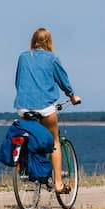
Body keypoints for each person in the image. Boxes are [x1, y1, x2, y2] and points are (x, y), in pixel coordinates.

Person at [14, 27, 82, 194]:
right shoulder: (52, 59)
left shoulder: (23, 57)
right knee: (54, 142)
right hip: (44, 107)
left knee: (27, 137)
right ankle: (58, 184)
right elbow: (63, 81)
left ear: (33, 41)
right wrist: (72, 96)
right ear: (49, 42)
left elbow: (18, 82)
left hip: (23, 106)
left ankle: (24, 170)